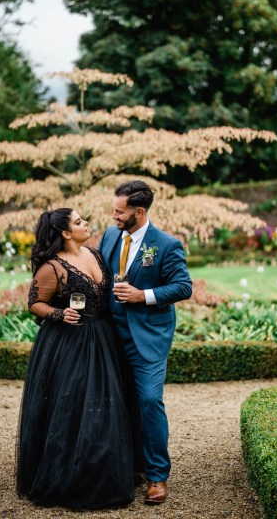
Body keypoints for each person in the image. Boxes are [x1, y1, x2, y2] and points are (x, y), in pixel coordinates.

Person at [16, 208, 136, 510]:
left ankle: (105, 473)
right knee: (74, 409)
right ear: (65, 233)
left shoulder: (94, 254)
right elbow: (35, 304)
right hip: (70, 343)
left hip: (103, 338)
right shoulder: (51, 267)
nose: (87, 224)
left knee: (107, 407)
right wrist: (58, 313)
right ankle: (70, 477)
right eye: (79, 222)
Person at [99, 180, 193, 504]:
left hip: (148, 338)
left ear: (139, 212)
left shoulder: (166, 245)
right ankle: (126, 465)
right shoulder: (111, 235)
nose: (113, 216)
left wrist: (143, 295)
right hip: (111, 335)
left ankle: (157, 476)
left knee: (150, 401)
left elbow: (183, 287)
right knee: (116, 401)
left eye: (119, 211)